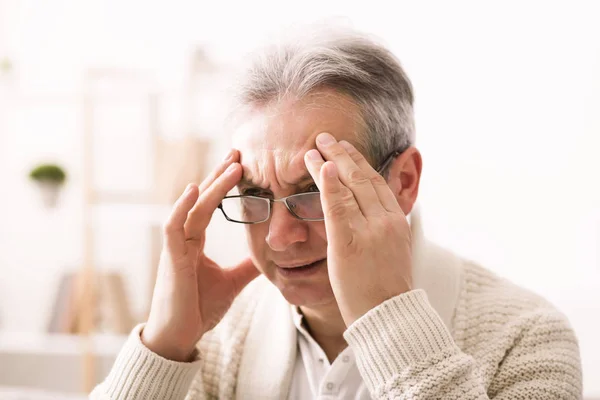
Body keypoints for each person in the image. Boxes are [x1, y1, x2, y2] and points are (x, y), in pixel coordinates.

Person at [91, 27, 582, 400]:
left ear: (403, 182)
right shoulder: (219, 337)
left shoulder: (527, 336)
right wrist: (163, 347)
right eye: (255, 193)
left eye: (316, 192)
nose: (280, 238)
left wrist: (393, 326)